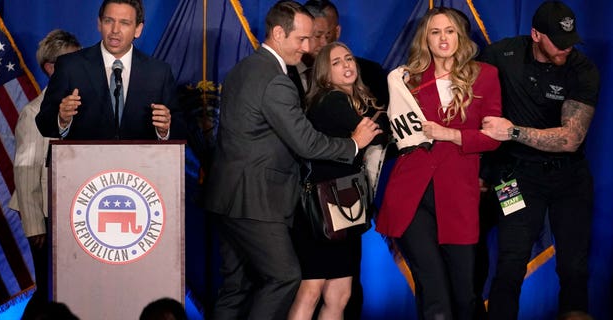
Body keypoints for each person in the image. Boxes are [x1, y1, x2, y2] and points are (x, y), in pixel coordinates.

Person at [202, 1, 381, 319]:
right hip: (256, 201)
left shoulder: (242, 69)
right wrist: (353, 144)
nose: (308, 47)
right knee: (283, 278)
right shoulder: (276, 80)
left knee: (236, 287)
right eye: (302, 39)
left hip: (226, 197)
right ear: (278, 33)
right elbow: (307, 143)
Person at [376, 7, 502, 320]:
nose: (443, 38)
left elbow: (493, 138)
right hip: (411, 196)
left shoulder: (486, 75)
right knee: (434, 297)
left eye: (449, 31)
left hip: (458, 196)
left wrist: (449, 134)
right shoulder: (407, 79)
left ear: (461, 35)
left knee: (464, 297)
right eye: (435, 32)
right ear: (426, 39)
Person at [478, 1, 600, 319]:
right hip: (513, 178)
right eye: (558, 44)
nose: (565, 50)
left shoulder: (583, 70)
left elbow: (571, 139)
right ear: (535, 34)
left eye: (570, 43)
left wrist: (513, 131)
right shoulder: (500, 55)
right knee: (510, 261)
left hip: (570, 178)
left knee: (574, 266)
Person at [288, 41, 389, 320]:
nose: (346, 65)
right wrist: (380, 127)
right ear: (323, 73)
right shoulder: (332, 99)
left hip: (343, 207)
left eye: (348, 59)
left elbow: (373, 134)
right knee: (312, 290)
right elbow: (377, 135)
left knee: (340, 293)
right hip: (321, 210)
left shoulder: (349, 100)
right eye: (336, 62)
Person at [35, 0, 184, 141]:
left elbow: (179, 126)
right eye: (108, 21)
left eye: (124, 23)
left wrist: (164, 130)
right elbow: (43, 123)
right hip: (85, 165)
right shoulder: (70, 66)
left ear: (138, 29)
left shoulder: (158, 72)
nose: (115, 30)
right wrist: (62, 119)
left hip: (139, 166)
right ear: (99, 23)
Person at [9, 29, 81, 318]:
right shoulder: (34, 112)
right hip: (45, 215)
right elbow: (26, 168)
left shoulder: (84, 104)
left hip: (75, 213)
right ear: (51, 68)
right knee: (50, 292)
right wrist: (35, 224)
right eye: (73, 60)